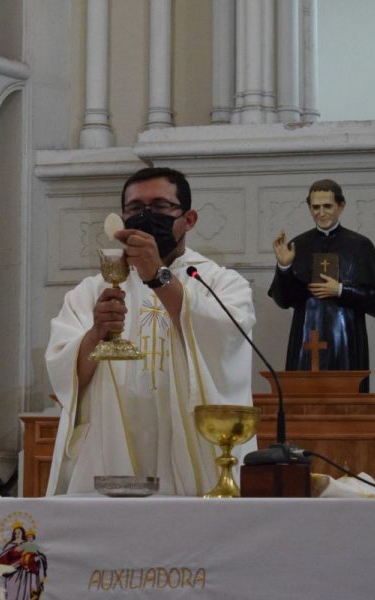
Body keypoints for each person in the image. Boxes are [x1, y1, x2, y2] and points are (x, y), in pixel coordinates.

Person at [45, 166, 256, 496]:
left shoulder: (220, 283)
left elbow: (226, 342)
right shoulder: (91, 291)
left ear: (189, 219)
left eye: (159, 206)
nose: (145, 216)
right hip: (108, 448)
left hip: (189, 445)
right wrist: (96, 333)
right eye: (135, 208)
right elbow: (65, 374)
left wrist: (157, 275)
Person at [268, 179, 375, 392]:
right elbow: (283, 300)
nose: (321, 213)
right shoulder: (299, 245)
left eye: (327, 206)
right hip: (305, 343)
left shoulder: (360, 246)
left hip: (346, 343)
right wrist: (284, 266)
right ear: (309, 208)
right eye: (315, 207)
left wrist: (342, 290)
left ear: (341, 206)